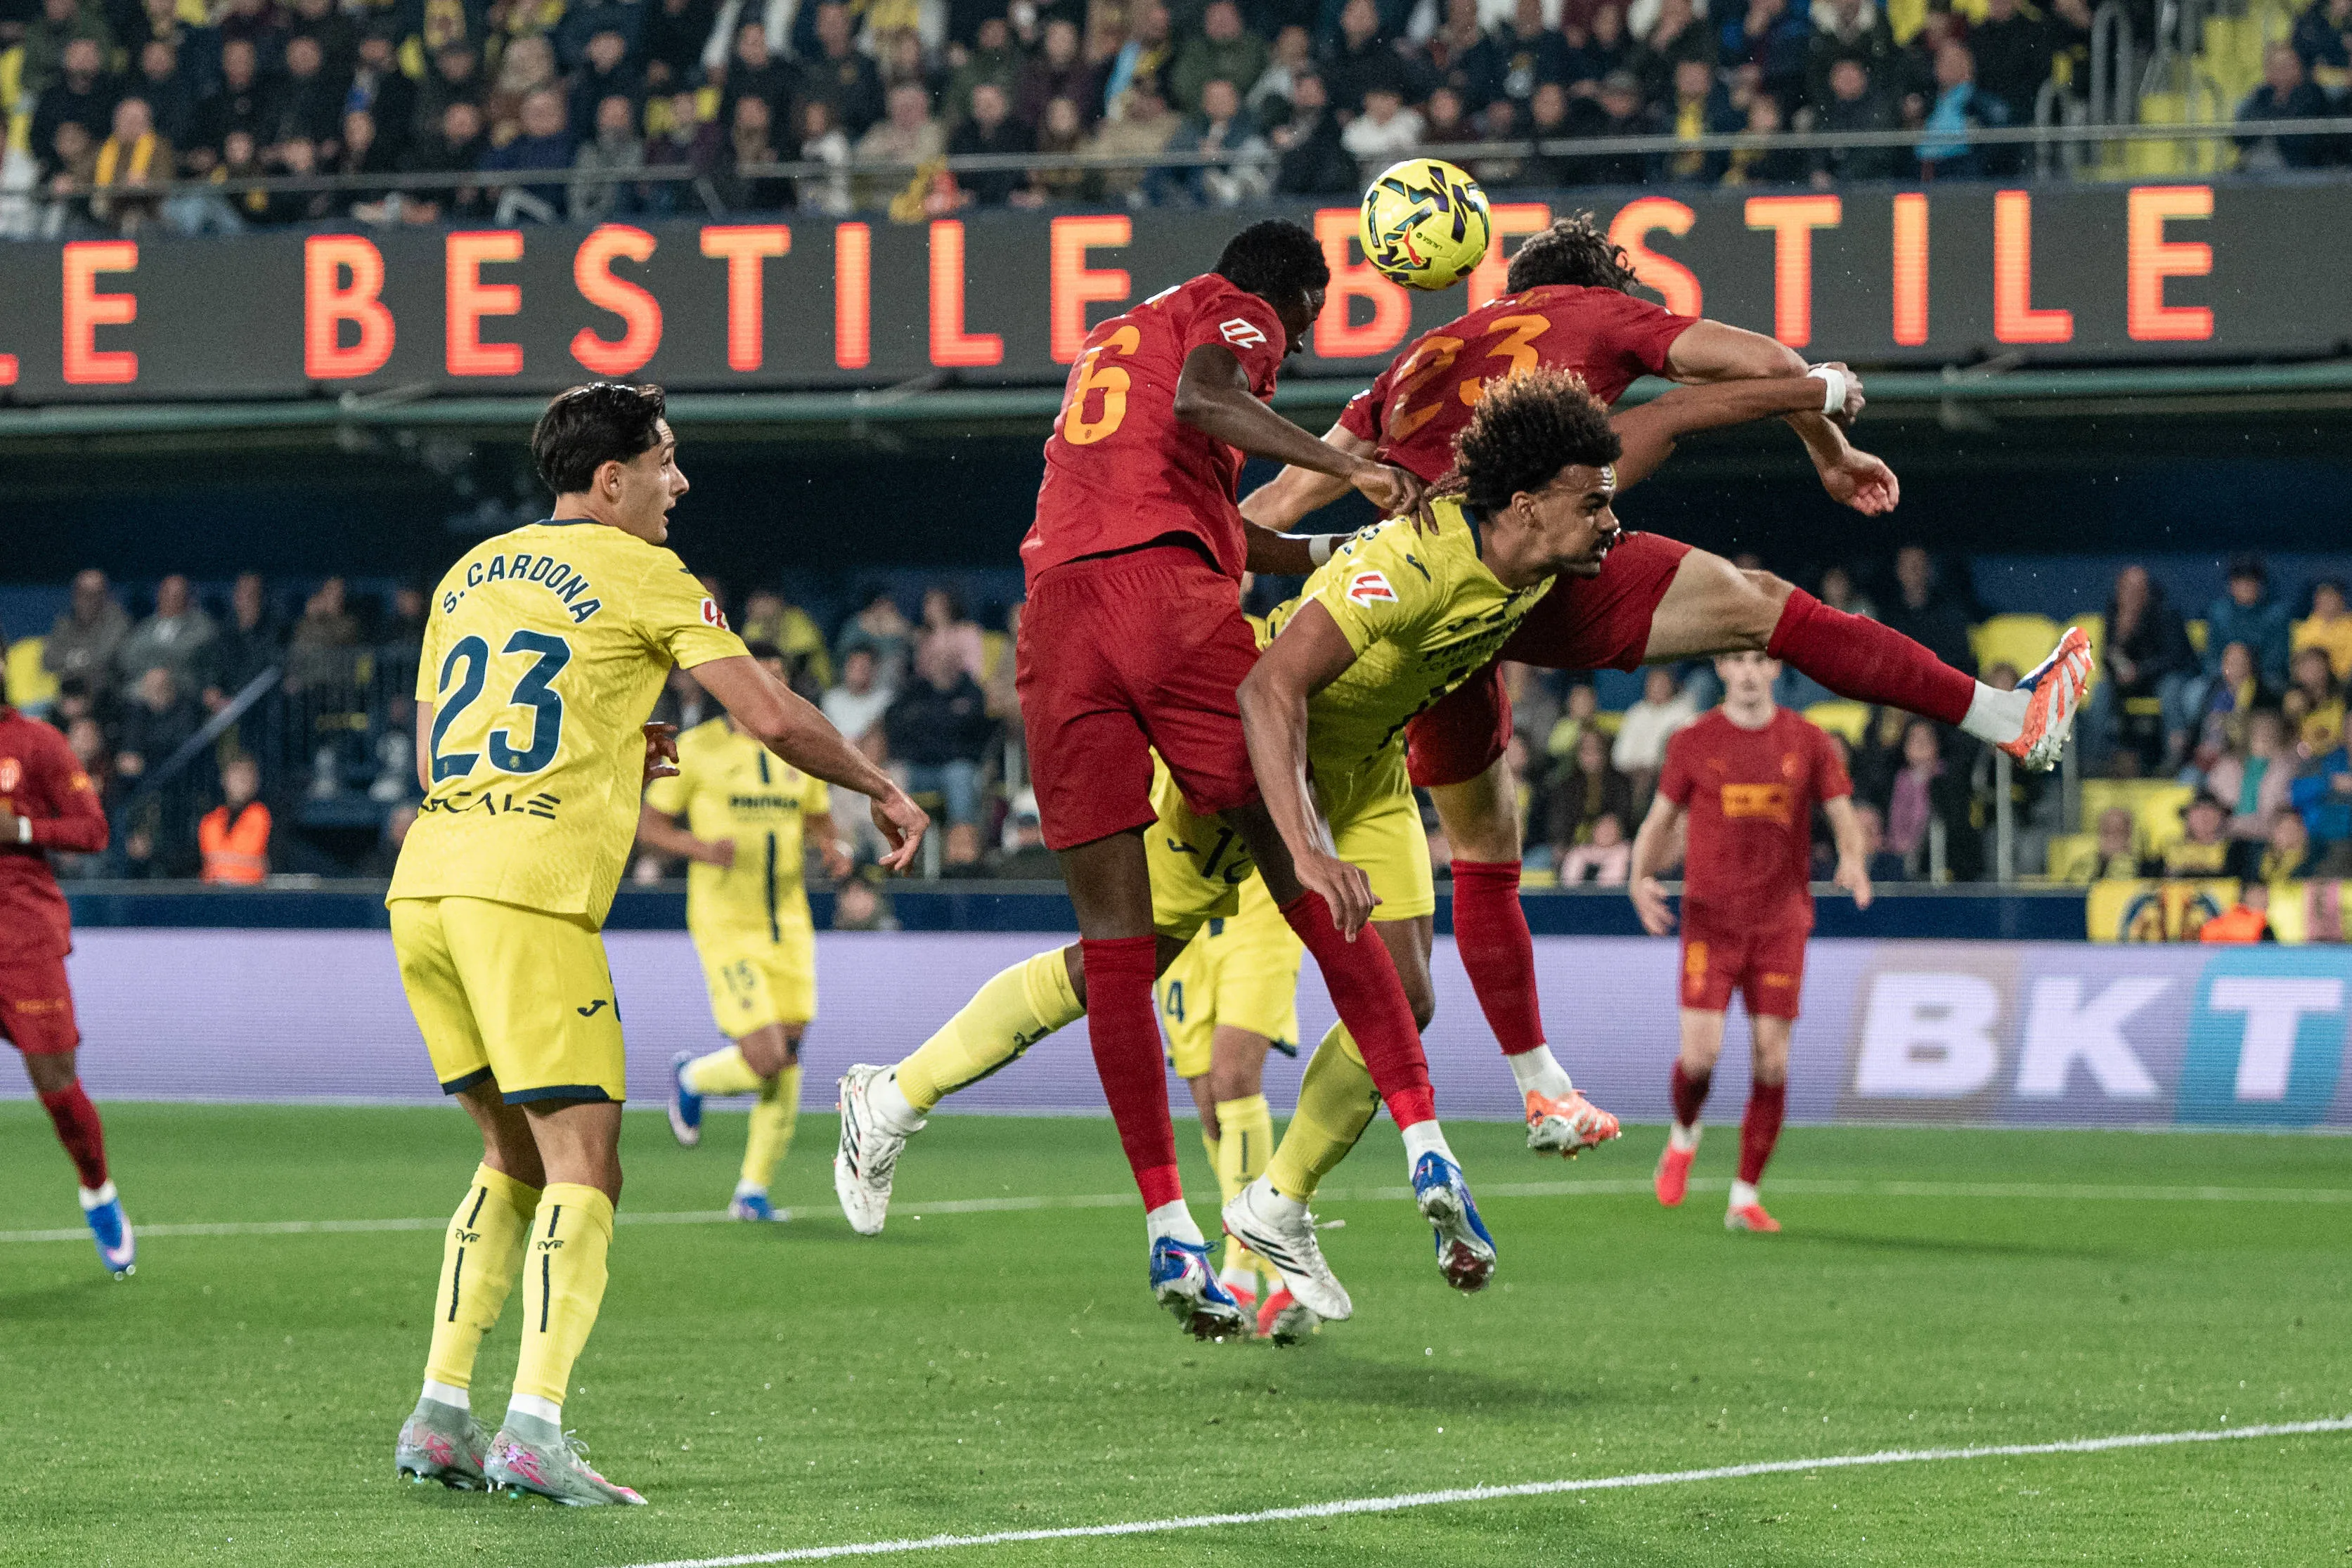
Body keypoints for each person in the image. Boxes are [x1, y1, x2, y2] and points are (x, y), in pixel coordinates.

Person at [832, 363, 1866, 1335]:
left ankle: (1276, 1203)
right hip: (1256, 766)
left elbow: (1671, 422)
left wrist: (1800, 417)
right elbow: (1268, 687)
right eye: (1593, 502)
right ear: (1525, 502)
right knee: (1121, 963)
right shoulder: (1409, 559)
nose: (1611, 518)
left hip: (1366, 771)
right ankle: (894, 1090)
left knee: (1406, 989)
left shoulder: (1537, 560)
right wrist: (1809, 389)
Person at [1241, 212, 2094, 1159]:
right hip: (1527, 567)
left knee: (1483, 846)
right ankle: (2007, 715)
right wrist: (1829, 450)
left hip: (1416, 607)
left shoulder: (1414, 359)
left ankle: (1540, 1086)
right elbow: (1755, 361)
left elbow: (1275, 503)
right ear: (1597, 281)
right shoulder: (1596, 311)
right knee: (1768, 608)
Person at [833, 219, 1466, 1343]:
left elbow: (1200, 503)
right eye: (1308, 319)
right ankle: (1422, 1143)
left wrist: (1327, 552)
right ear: (1298, 293)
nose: (1299, 342)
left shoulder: (1120, 336)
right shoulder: (1241, 309)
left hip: (1062, 616)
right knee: (1297, 855)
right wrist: (1344, 463)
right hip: (1161, 611)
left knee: (1118, 946)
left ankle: (1169, 1224)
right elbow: (1209, 399)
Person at [386, 383, 926, 1505]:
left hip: (429, 884)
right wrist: (877, 782)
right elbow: (770, 716)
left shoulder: (468, 571)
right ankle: (533, 1426)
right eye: (665, 461)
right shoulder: (646, 571)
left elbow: (464, 736)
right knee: (587, 1163)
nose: (679, 482)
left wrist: (617, 740)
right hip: (529, 897)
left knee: (511, 1156)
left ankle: (440, 1410)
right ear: (611, 479)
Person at [1630, 649, 1870, 1235]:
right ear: (1720, 668)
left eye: (1758, 660)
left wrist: (1855, 858)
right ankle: (1684, 1135)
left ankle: (1744, 1195)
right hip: (1711, 920)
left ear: (1774, 669)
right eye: (1735, 659)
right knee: (1700, 1057)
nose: (1746, 671)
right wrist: (1639, 877)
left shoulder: (1810, 740)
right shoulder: (1692, 740)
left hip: (1781, 922)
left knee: (1772, 1059)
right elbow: (1660, 818)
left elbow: (1843, 813)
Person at [645, 640, 853, 1221]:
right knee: (763, 1055)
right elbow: (646, 822)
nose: (773, 690)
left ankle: (753, 1191)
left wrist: (833, 851)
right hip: (724, 921)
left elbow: (818, 818)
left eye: (782, 679)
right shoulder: (685, 745)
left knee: (788, 1056)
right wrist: (698, 847)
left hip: (789, 923)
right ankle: (691, 1075)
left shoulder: (798, 747)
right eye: (762, 678)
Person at [0, 699, 129, 1277]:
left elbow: (94, 830)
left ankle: (97, 1188)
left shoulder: (38, 742)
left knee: (58, 1090)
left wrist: (22, 828)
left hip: (22, 936)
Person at [1152, 875, 1305, 1337]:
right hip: (1180, 909)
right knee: (1210, 1108)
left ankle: (1238, 1272)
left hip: (1255, 901)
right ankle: (1286, 1271)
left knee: (1233, 1077)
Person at [197, 753, 271, 884]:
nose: (241, 780)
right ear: (224, 779)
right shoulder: (210, 820)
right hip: (213, 893)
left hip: (248, 894)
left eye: (247, 774)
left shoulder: (263, 815)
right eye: (236, 774)